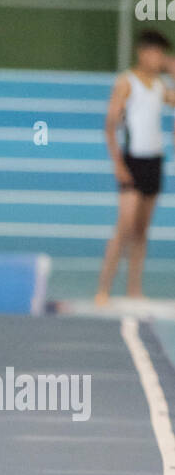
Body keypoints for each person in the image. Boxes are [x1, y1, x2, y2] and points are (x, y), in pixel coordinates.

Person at [95, 29, 175, 304]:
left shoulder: (161, 85)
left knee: (142, 231)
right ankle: (103, 288)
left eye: (163, 54)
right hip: (132, 160)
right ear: (142, 52)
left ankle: (134, 290)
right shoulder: (126, 82)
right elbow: (110, 125)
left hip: (154, 160)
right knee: (124, 228)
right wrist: (117, 163)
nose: (159, 58)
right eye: (155, 53)